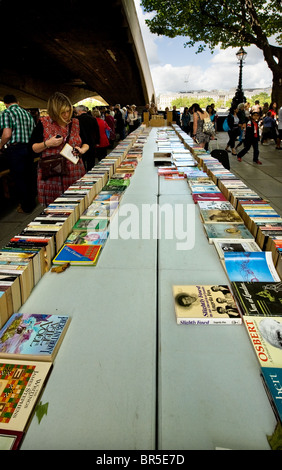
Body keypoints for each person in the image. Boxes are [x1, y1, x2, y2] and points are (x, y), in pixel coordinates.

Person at [30, 92, 88, 206]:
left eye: (68, 111)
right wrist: (48, 143)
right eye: (63, 112)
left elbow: (87, 143)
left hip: (74, 172)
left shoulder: (76, 123)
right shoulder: (43, 123)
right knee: (54, 209)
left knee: (77, 205)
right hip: (52, 176)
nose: (66, 115)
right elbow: (33, 148)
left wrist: (82, 150)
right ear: (54, 112)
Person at [0, 94, 36, 213]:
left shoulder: (7, 113)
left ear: (5, 104)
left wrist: (0, 145)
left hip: (16, 149)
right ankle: (31, 203)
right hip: (30, 148)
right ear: (18, 102)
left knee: (19, 178)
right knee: (29, 176)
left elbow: (7, 135)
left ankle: (25, 206)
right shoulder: (27, 114)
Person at [75, 104, 100, 171]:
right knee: (91, 161)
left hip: (81, 143)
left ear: (79, 111)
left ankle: (83, 172)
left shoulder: (76, 120)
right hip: (91, 142)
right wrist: (97, 141)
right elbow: (97, 131)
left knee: (82, 160)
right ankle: (91, 172)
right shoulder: (93, 119)